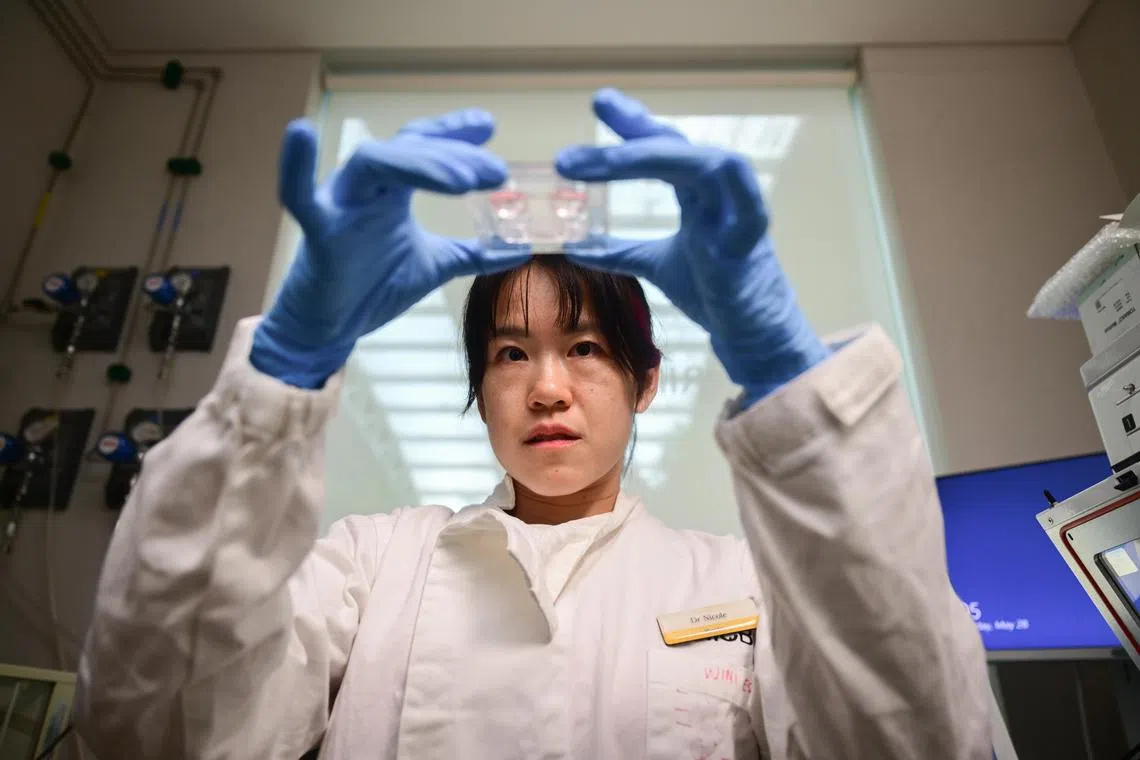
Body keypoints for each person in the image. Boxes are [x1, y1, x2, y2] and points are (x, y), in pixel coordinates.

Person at [73, 89, 991, 759]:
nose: (546, 388)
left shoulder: (741, 581)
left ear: (645, 385)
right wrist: (284, 366)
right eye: (511, 354)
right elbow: (158, 731)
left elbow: (920, 738)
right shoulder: (371, 564)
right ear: (480, 386)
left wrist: (786, 372)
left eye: (586, 349)